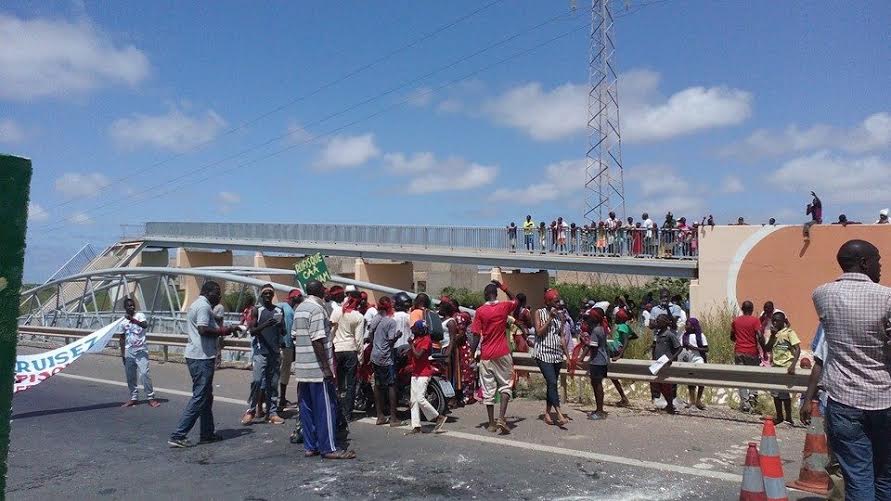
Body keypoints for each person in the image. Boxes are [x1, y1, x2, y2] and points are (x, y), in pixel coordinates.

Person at [810, 240, 891, 499]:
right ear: (865, 263)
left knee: (857, 476)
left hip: (844, 401)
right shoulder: (887, 297)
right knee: (885, 475)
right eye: (877, 260)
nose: (880, 266)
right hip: (884, 399)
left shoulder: (821, 294)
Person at [169, 281, 240, 448]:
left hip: (200, 355)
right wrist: (224, 331)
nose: (219, 296)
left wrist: (225, 327)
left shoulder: (200, 305)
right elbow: (202, 329)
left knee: (207, 397)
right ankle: (178, 434)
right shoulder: (203, 307)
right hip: (201, 357)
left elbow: (208, 325)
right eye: (217, 292)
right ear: (208, 292)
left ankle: (207, 433)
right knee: (200, 396)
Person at [293, 280, 356, 460]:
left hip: (302, 368)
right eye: (323, 289)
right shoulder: (317, 310)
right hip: (317, 369)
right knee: (325, 409)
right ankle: (329, 448)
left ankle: (310, 445)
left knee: (307, 408)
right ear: (319, 291)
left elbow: (295, 337)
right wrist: (327, 368)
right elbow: (317, 340)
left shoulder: (300, 309)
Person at [469, 280, 517, 434]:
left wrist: (471, 354)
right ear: (496, 294)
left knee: (488, 389)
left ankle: (491, 423)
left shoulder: (480, 311)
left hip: (486, 354)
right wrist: (503, 286)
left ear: (485, 295)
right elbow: (515, 300)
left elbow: (476, 335)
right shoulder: (504, 307)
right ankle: (502, 418)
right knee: (505, 385)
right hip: (503, 352)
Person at [241, 284, 286, 426]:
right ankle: (251, 411)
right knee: (257, 381)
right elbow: (253, 330)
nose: (267, 295)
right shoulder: (257, 310)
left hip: (274, 352)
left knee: (273, 383)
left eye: (270, 293)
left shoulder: (279, 310)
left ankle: (272, 412)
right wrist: (266, 324)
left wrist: (280, 326)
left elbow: (283, 331)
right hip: (261, 351)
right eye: (265, 293)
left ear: (273, 295)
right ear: (261, 295)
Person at [532, 289, 569, 426]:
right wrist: (550, 319)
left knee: (551, 384)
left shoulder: (560, 316)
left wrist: (568, 356)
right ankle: (559, 412)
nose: (558, 304)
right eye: (555, 301)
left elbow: (561, 337)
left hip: (556, 355)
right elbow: (539, 332)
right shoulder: (539, 313)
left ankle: (547, 413)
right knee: (552, 382)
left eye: (558, 301)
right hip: (543, 354)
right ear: (548, 302)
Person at [330, 292, 366, 428]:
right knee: (351, 384)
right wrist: (361, 359)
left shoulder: (337, 311)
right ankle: (348, 413)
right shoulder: (358, 316)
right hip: (350, 350)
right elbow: (359, 339)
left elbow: (331, 332)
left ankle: (337, 410)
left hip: (337, 349)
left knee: (339, 383)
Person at [406, 320, 448, 435]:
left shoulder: (426, 340)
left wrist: (411, 345)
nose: (413, 330)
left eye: (415, 328)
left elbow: (418, 355)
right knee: (413, 401)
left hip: (423, 373)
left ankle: (438, 417)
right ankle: (416, 426)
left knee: (420, 398)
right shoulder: (417, 338)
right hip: (415, 372)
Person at [118, 298, 159, 408]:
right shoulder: (122, 321)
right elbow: (121, 338)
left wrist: (132, 319)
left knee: (144, 374)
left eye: (133, 305)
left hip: (141, 351)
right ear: (125, 307)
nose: (131, 307)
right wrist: (122, 354)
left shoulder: (140, 315)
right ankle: (133, 398)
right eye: (129, 306)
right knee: (130, 376)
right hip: (129, 351)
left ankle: (150, 398)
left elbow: (144, 325)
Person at [369, 296, 401, 426]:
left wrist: (376, 345)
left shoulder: (376, 319)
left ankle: (380, 415)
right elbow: (391, 340)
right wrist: (398, 336)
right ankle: (393, 418)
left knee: (378, 384)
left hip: (375, 355)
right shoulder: (390, 322)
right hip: (386, 357)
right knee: (391, 385)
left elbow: (370, 335)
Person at [764, 310, 800, 426]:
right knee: (775, 394)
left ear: (783, 321)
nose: (774, 323)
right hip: (776, 366)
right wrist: (773, 336)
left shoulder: (789, 332)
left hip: (785, 367)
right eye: (773, 321)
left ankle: (788, 417)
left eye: (777, 321)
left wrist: (793, 365)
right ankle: (779, 416)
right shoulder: (774, 334)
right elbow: (768, 348)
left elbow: (797, 349)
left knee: (784, 394)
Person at [730, 300, 765, 412]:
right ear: (752, 309)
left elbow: (732, 336)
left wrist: (739, 338)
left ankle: (744, 403)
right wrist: (764, 348)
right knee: (753, 375)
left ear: (742, 308)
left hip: (739, 351)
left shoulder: (736, 321)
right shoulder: (755, 321)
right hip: (752, 352)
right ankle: (753, 397)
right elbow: (759, 335)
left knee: (741, 377)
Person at [652, 313, 683, 414]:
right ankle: (668, 404)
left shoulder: (669, 334)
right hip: (657, 362)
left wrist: (672, 359)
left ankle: (670, 405)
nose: (656, 322)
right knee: (658, 384)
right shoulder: (658, 334)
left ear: (665, 323)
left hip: (665, 363)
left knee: (666, 386)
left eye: (658, 321)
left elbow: (679, 348)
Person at [278, 289, 303, 410]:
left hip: (279, 346)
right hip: (285, 345)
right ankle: (281, 398)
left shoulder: (281, 306)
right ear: (294, 297)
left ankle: (277, 399)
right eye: (299, 296)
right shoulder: (287, 310)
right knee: (284, 372)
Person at [584, 305, 610, 420]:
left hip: (597, 361)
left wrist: (583, 358)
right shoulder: (602, 329)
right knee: (597, 384)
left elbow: (593, 348)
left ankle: (600, 411)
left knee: (597, 385)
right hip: (602, 360)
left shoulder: (595, 330)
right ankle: (599, 409)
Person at [607, 308, 635, 408]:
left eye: (617, 317)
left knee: (613, 376)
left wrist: (620, 353)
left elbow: (626, 340)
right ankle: (623, 397)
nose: (615, 318)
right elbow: (634, 336)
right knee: (613, 376)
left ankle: (624, 397)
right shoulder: (624, 326)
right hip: (615, 350)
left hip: (615, 352)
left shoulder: (622, 326)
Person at [680, 318, 708, 410]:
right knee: (690, 380)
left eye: (687, 324)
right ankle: (692, 400)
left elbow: (706, 349)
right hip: (688, 360)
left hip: (698, 359)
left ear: (693, 326)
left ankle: (698, 400)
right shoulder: (684, 336)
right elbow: (681, 348)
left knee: (700, 380)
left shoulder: (700, 336)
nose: (685, 326)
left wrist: (694, 348)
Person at [212, 303, 225, 369]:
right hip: (211, 330)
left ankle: (217, 364)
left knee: (217, 348)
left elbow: (220, 318)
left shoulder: (220, 307)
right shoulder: (209, 306)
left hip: (218, 330)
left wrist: (211, 314)